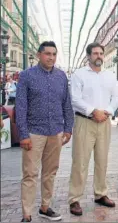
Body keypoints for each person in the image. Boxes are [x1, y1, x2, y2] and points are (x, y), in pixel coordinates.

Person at [16, 41, 74, 222]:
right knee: (30, 174)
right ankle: (27, 213)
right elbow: (21, 107)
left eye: (54, 54)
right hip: (34, 133)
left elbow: (66, 103)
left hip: (55, 131)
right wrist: (23, 134)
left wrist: (68, 128)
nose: (51, 57)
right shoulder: (26, 76)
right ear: (39, 55)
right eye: (47, 54)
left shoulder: (61, 76)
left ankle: (45, 207)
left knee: (50, 172)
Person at [68, 43, 118, 215]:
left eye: (101, 53)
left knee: (102, 160)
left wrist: (108, 111)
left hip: (104, 122)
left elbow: (117, 96)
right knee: (80, 161)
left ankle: (100, 194)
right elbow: (74, 98)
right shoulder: (79, 74)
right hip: (85, 121)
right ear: (88, 56)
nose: (98, 56)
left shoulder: (109, 75)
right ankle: (74, 199)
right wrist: (93, 112)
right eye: (95, 53)